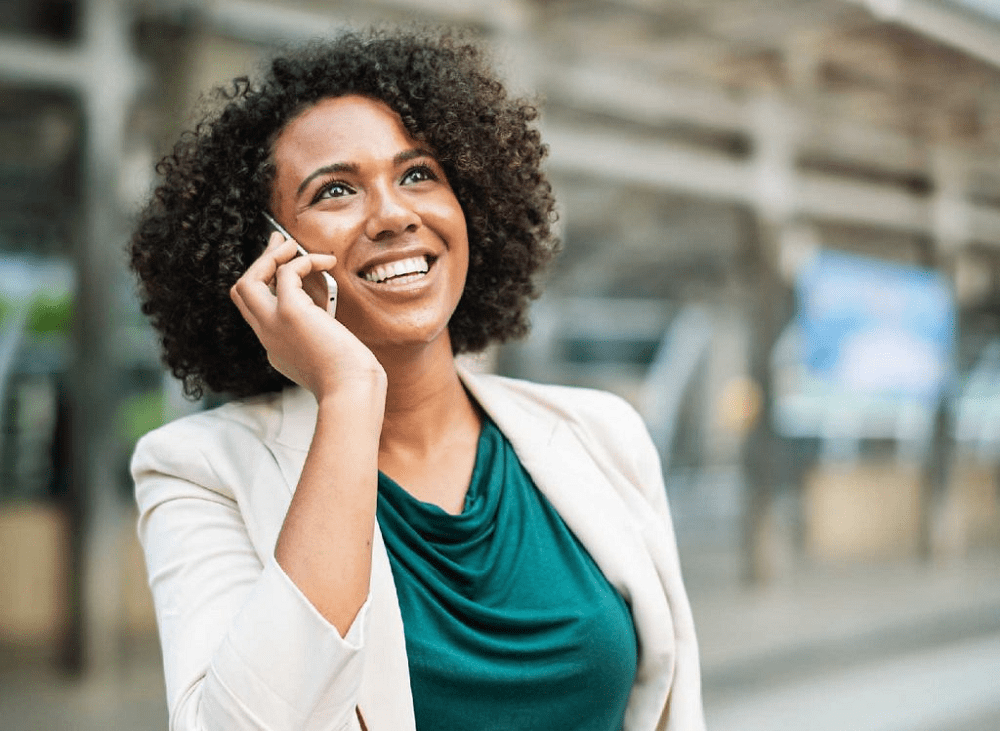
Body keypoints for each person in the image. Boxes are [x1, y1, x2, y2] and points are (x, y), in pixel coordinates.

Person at [129, 27, 704, 731]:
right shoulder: (198, 470)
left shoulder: (601, 436)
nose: (396, 214)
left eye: (418, 174)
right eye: (336, 189)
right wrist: (347, 394)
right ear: (268, 255)